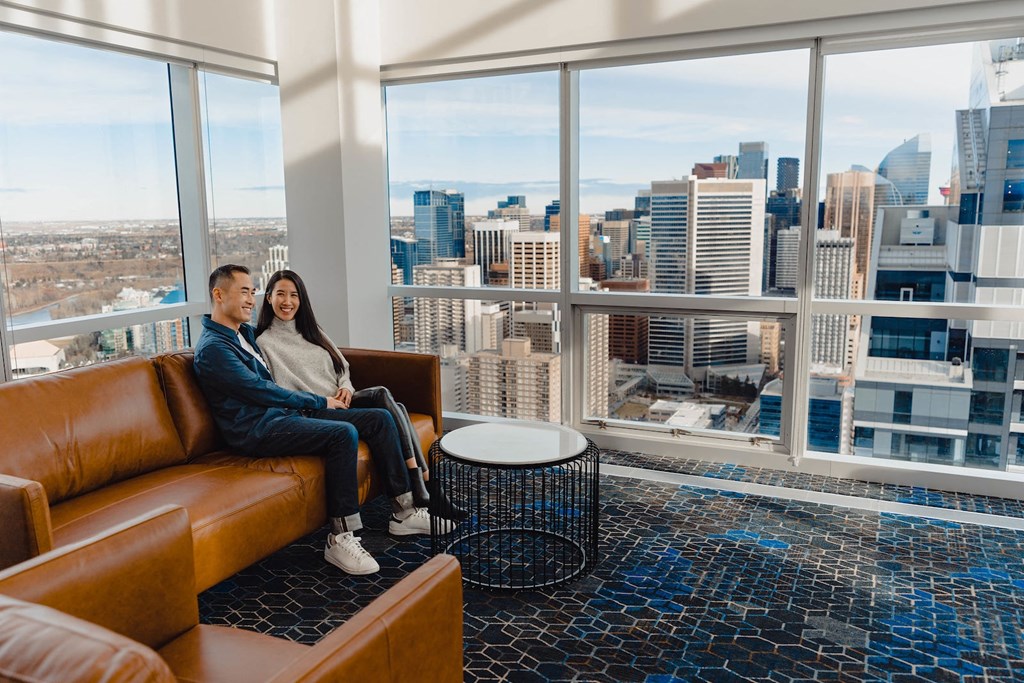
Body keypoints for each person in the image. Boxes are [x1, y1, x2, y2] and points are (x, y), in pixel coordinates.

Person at [193, 264, 451, 577]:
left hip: (279, 418)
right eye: (243, 291)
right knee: (342, 435)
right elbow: (262, 391)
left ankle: (404, 511)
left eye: (252, 291)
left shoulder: (242, 334)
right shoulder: (214, 349)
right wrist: (319, 401)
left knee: (380, 419)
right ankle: (340, 537)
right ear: (218, 295)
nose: (251, 299)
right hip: (256, 431)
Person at [254, 269, 467, 521]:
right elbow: (278, 389)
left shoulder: (312, 331)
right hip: (315, 409)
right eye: (280, 294)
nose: (287, 302)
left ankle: (425, 489)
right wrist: (322, 400)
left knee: (386, 397)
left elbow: (342, 366)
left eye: (294, 295)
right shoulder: (264, 343)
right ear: (268, 298)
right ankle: (417, 494)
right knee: (382, 416)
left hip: (340, 398)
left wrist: (346, 387)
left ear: (302, 299)